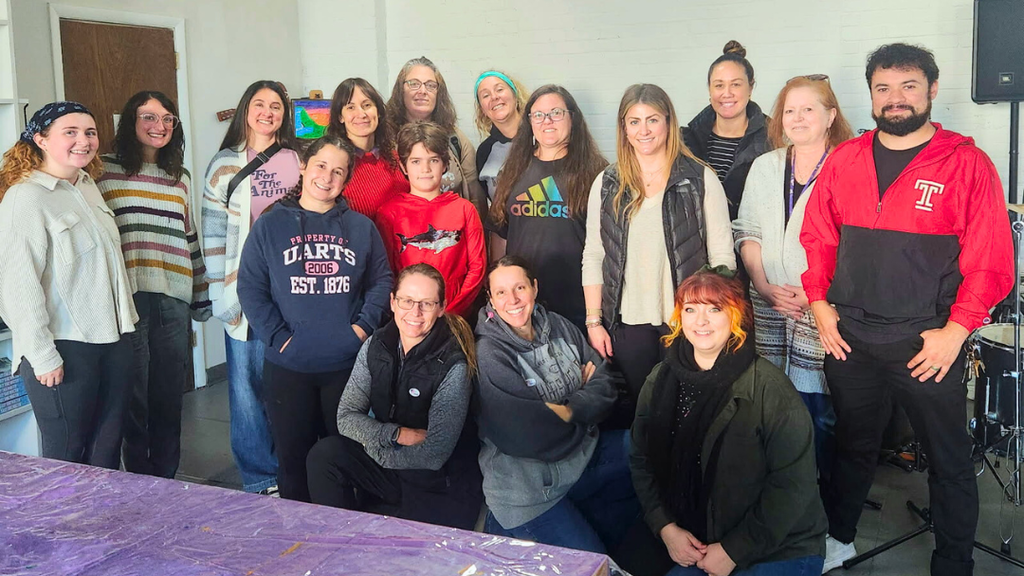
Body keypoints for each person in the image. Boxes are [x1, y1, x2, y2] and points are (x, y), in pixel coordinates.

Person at [800, 43, 1014, 575]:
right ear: (871, 95)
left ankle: (954, 562)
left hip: (927, 344)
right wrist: (820, 305)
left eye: (909, 86)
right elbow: (819, 238)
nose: (895, 99)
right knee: (852, 444)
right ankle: (840, 538)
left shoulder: (967, 164)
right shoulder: (845, 160)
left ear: (932, 91)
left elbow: (991, 261)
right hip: (849, 338)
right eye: (883, 88)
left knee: (947, 458)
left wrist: (956, 331)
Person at [630, 270, 827, 576]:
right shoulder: (661, 379)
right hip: (697, 537)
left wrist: (734, 550)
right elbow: (641, 458)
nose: (701, 321)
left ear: (735, 316)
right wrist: (665, 527)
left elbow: (793, 484)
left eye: (714, 309)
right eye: (691, 309)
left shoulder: (769, 388)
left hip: (779, 546)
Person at [237, 135, 391, 502]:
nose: (328, 176)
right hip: (288, 365)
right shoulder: (270, 226)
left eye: (339, 171)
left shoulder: (360, 228)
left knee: (344, 457)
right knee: (292, 461)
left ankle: (345, 537)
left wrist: (360, 329)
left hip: (346, 366)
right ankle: (296, 540)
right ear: (303, 166)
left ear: (346, 179)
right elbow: (250, 288)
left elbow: (381, 280)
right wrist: (279, 338)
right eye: (321, 165)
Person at [582, 84, 735, 430]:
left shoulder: (699, 178)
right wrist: (594, 321)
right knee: (646, 409)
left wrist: (712, 319)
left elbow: (724, 256)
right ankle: (654, 480)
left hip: (688, 320)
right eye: (634, 122)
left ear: (669, 122)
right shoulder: (607, 183)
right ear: (623, 128)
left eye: (652, 120)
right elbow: (594, 254)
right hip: (629, 322)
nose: (644, 130)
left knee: (692, 411)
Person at [0, 102, 137, 468]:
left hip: (112, 339)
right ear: (42, 139)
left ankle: (102, 525)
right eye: (70, 132)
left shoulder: (87, 186)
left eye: (89, 132)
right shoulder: (26, 197)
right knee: (66, 457)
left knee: (106, 450)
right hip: (64, 347)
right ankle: (63, 528)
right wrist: (42, 354)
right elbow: (17, 284)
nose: (84, 141)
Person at [475, 256, 639, 557]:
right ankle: (503, 534)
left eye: (520, 287)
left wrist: (565, 409)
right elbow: (527, 435)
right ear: (491, 300)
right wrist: (580, 398)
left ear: (535, 288)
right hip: (530, 493)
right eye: (500, 292)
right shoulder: (489, 353)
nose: (512, 299)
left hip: (581, 461)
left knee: (644, 446)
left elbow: (605, 385)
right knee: (595, 567)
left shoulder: (559, 325)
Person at [732, 76, 854, 477]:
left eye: (808, 109)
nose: (797, 118)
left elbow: (854, 243)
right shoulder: (766, 166)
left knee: (814, 402)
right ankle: (775, 481)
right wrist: (762, 284)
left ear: (830, 115)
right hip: (768, 298)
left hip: (820, 303)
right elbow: (747, 230)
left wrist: (814, 293)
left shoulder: (848, 166)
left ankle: (812, 493)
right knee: (770, 395)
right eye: (789, 110)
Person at [306, 263, 483, 529]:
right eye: (407, 301)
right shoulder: (375, 345)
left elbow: (434, 453)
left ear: (442, 307)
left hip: (439, 481)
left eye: (426, 303)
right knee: (325, 455)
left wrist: (379, 451)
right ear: (392, 302)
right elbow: (345, 417)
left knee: (407, 559)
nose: (415, 312)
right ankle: (337, 540)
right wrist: (396, 435)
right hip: (393, 459)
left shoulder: (454, 363)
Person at [97, 91, 212, 478]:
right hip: (127, 301)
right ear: (131, 122)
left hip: (173, 299)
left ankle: (165, 478)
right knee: (133, 399)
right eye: (149, 117)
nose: (159, 126)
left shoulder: (180, 177)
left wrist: (200, 296)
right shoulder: (103, 171)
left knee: (167, 398)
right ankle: (139, 481)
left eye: (168, 119)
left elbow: (189, 237)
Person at [201, 80, 300, 495]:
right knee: (246, 389)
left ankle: (290, 469)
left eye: (275, 105)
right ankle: (260, 477)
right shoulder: (225, 164)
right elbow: (213, 233)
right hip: (245, 290)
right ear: (246, 110)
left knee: (286, 385)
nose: (267, 112)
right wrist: (220, 291)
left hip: (292, 291)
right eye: (259, 104)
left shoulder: (298, 160)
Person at [490, 85, 607, 331]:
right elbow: (500, 235)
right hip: (521, 305)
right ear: (530, 122)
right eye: (538, 115)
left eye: (556, 113)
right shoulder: (514, 169)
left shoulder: (596, 173)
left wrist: (596, 313)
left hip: (578, 306)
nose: (547, 121)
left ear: (572, 117)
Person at [375, 121, 486, 318]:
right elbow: (387, 274)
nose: (425, 169)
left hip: (457, 314)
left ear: (444, 164)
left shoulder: (464, 209)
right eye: (416, 161)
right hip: (410, 315)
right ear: (403, 165)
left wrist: (451, 312)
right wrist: (410, 311)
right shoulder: (388, 213)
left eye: (433, 160)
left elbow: (477, 268)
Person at [387, 57, 488, 225]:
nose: (422, 91)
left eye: (430, 85)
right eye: (414, 83)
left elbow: (475, 197)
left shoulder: (454, 138)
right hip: (401, 237)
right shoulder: (384, 138)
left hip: (450, 236)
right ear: (400, 89)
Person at [682, 41, 771, 219]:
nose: (727, 93)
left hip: (752, 243)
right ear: (709, 89)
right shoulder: (686, 140)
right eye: (719, 85)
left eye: (736, 84)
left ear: (751, 88)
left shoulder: (773, 138)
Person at [326, 77, 409, 220]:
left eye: (367, 105)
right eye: (351, 107)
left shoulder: (396, 157)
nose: (361, 114)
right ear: (340, 116)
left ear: (378, 111)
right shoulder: (332, 165)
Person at [473, 70, 529, 202]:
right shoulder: (484, 152)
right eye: (485, 95)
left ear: (515, 95)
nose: (494, 97)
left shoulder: (541, 136)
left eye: (499, 89)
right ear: (483, 110)